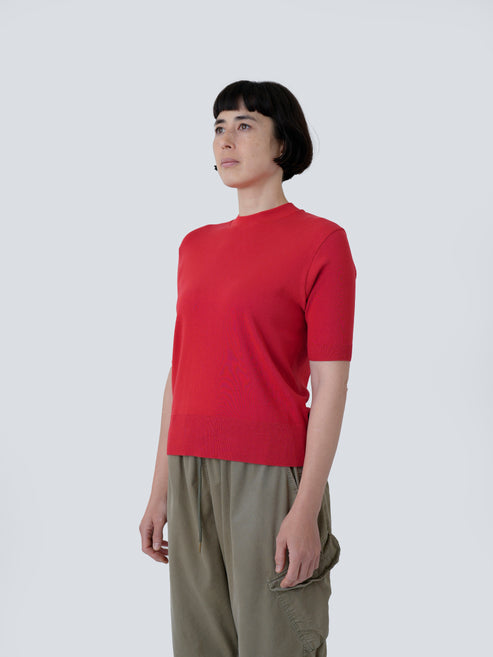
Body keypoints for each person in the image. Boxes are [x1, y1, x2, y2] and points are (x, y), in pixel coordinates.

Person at [139, 79, 357, 657]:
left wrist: (305, 508)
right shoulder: (194, 246)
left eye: (244, 125)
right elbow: (179, 372)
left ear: (283, 143)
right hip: (189, 469)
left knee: (278, 644)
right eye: (219, 127)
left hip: (269, 477)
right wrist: (160, 490)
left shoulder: (322, 242)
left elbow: (330, 384)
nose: (226, 140)